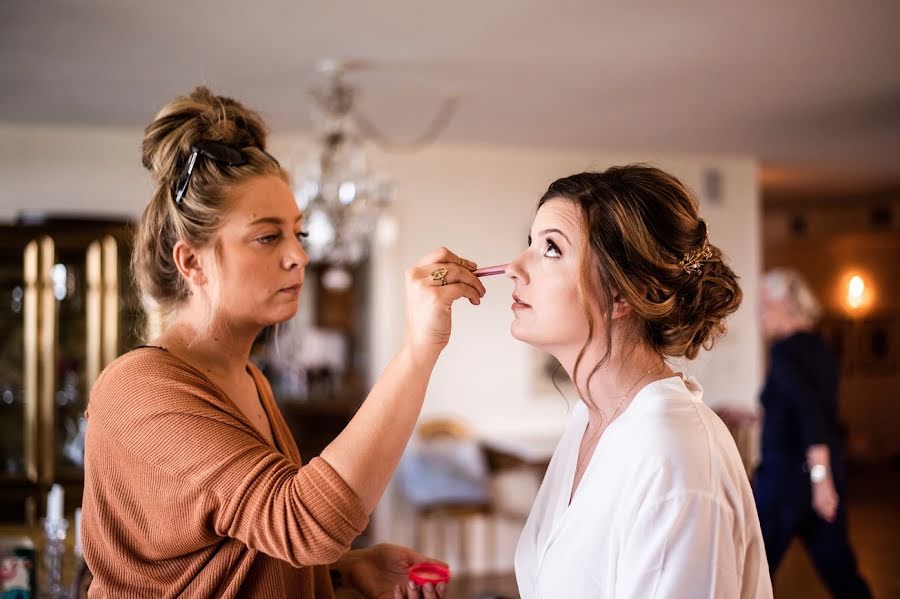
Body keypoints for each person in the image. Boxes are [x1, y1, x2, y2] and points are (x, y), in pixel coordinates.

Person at [81, 86, 487, 599]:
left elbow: (248, 542)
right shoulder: (140, 392)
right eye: (269, 237)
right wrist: (419, 347)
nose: (300, 257)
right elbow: (305, 522)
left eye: (301, 234)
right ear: (192, 263)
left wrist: (345, 568)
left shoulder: (245, 376)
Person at [509, 166, 773, 598]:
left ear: (622, 294)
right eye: (530, 244)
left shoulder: (674, 454)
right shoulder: (589, 420)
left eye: (551, 249)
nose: (514, 268)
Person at [754, 268, 873, 597]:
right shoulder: (820, 347)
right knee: (842, 573)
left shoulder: (786, 350)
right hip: (817, 475)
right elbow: (802, 409)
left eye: (765, 305)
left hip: (787, 482)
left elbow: (811, 412)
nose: (759, 315)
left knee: (751, 572)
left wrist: (820, 480)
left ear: (787, 304)